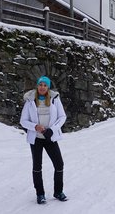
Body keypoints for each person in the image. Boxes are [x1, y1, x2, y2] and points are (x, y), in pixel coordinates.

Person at [20, 76, 68, 204]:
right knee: (37, 166)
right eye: (40, 84)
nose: (42, 87)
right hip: (36, 139)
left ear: (48, 87)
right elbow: (23, 121)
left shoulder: (55, 99)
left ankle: (58, 192)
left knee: (59, 164)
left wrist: (52, 129)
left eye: (45, 85)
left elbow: (62, 117)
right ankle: (40, 194)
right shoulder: (30, 100)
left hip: (50, 137)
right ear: (37, 86)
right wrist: (34, 126)